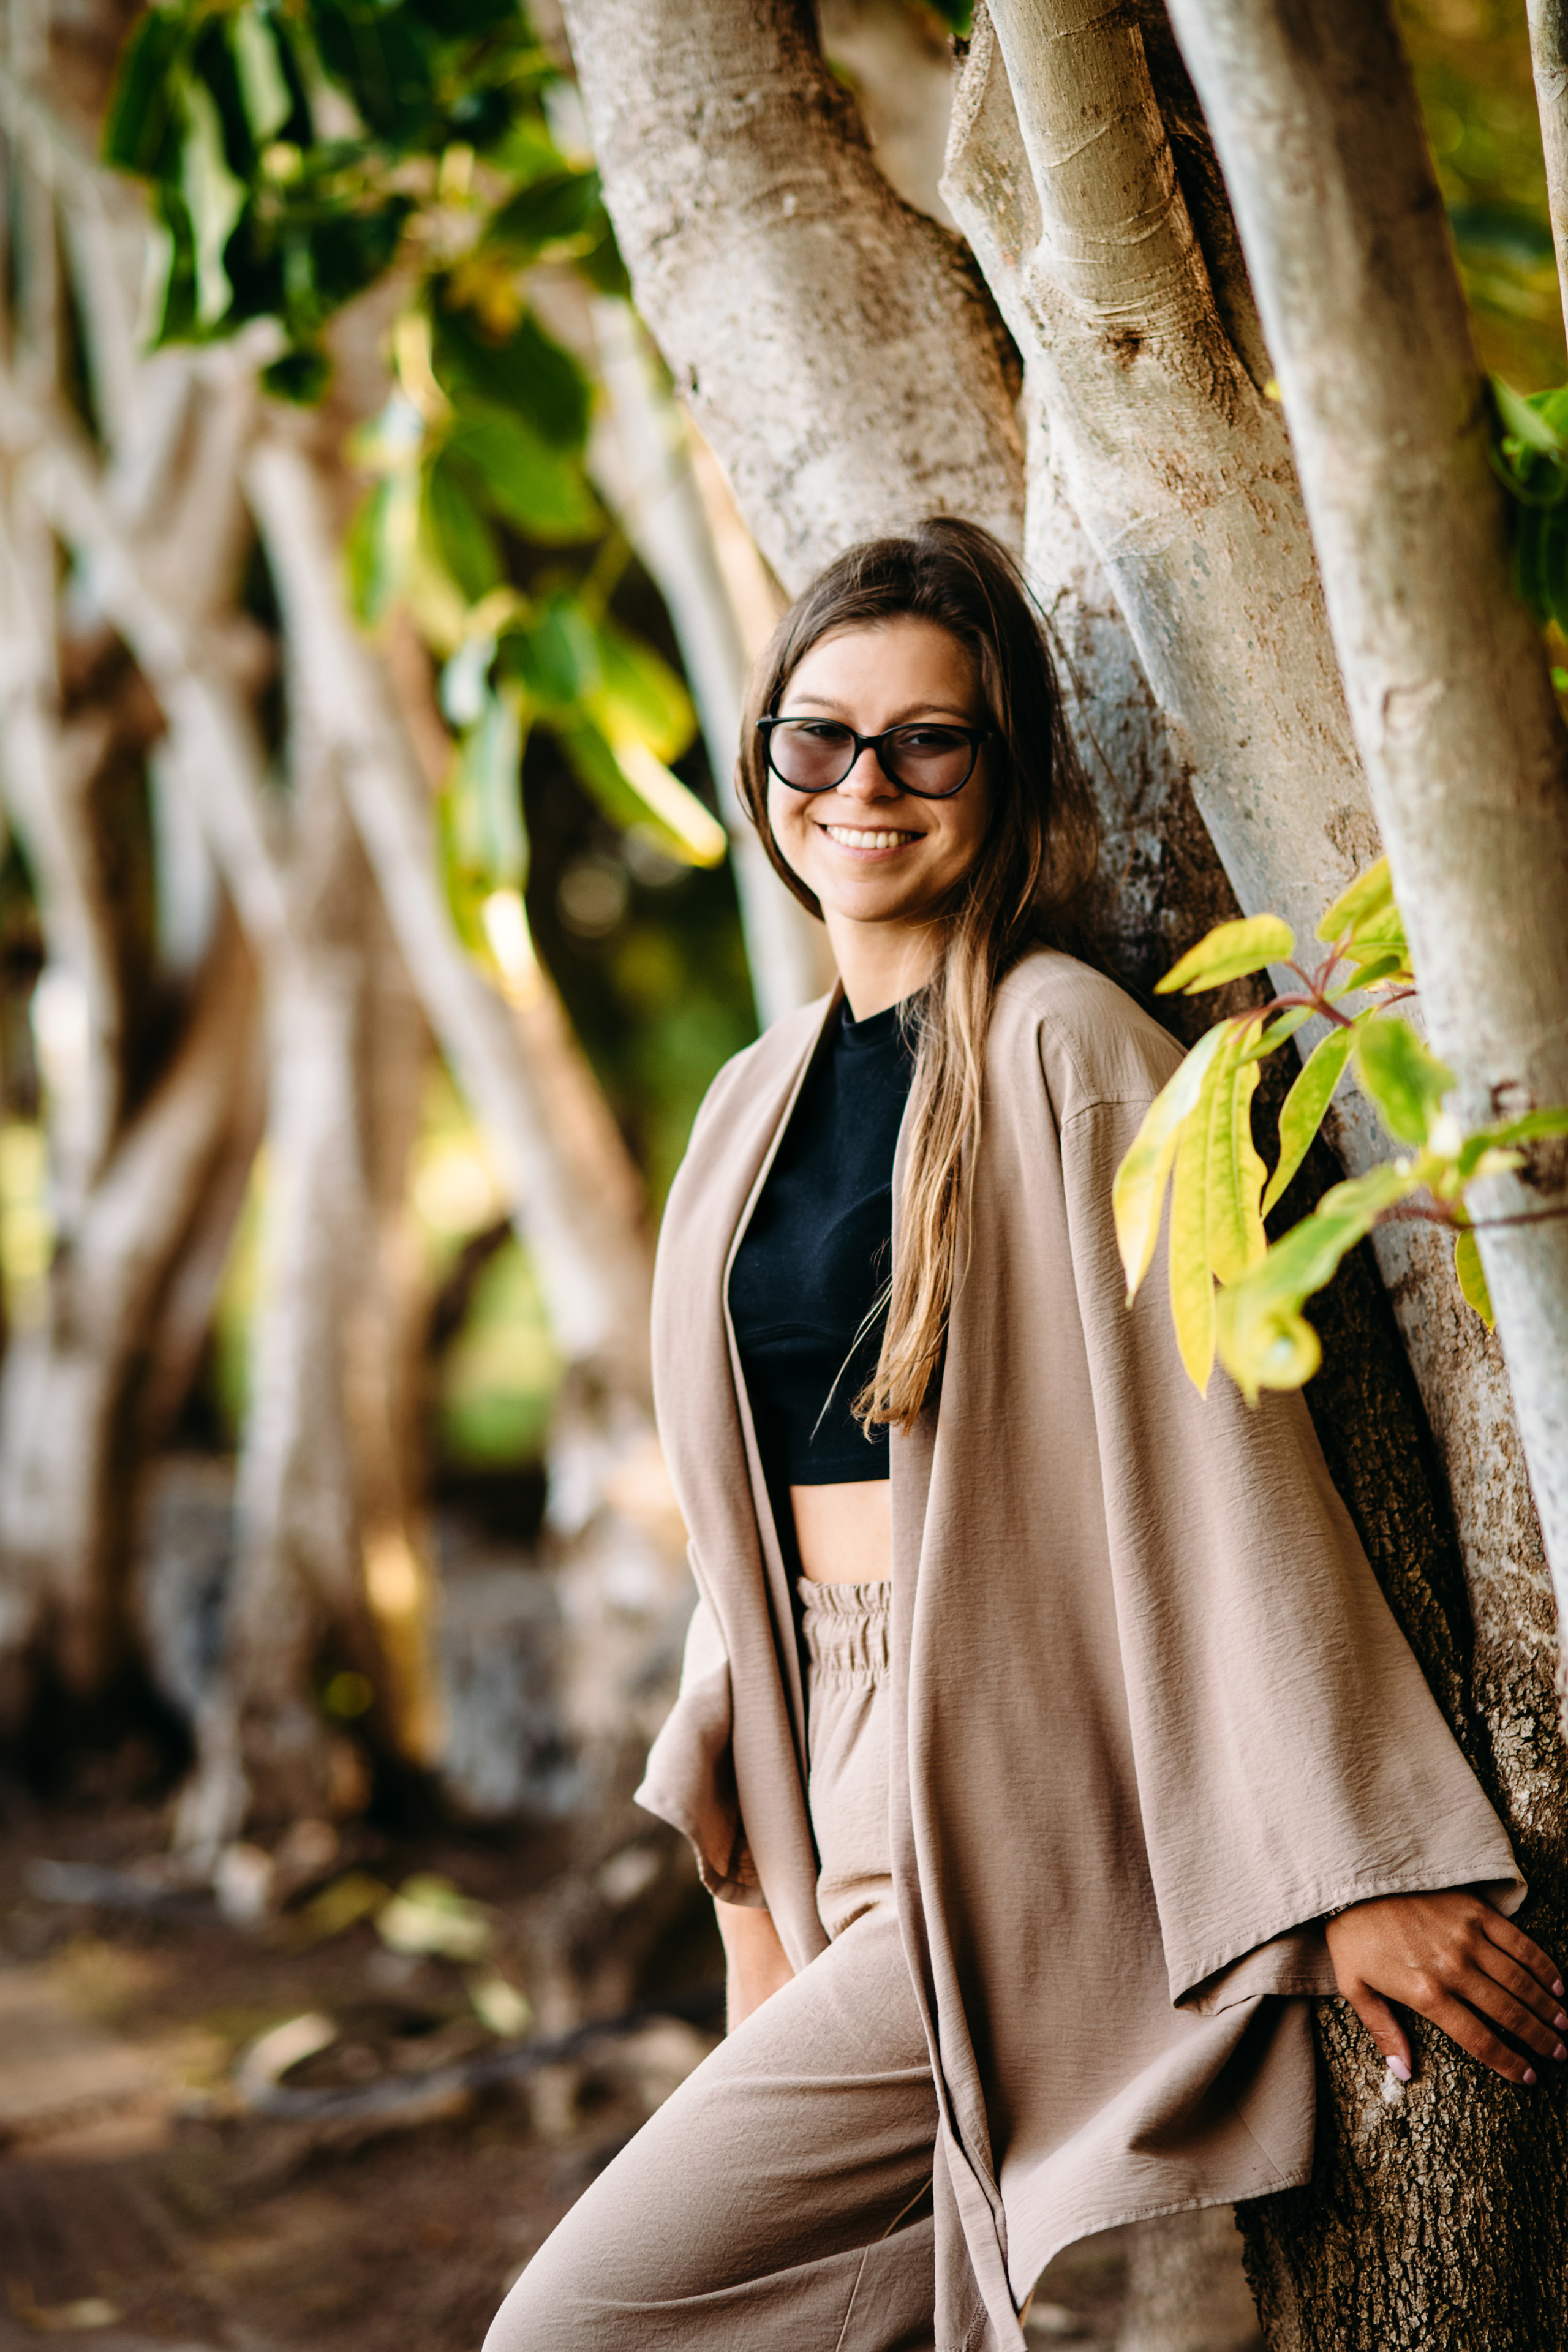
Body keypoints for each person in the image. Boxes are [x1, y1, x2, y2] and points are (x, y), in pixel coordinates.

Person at [486, 518, 1563, 2352]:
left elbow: (1214, 1462)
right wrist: (746, 1849)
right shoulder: (752, 1106)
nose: (867, 785)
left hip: (1019, 1765)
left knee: (574, 2324)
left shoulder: (1070, 1051)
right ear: (764, 763)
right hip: (821, 1768)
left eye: (931, 741)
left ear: (1006, 777)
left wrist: (1345, 1863)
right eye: (820, 736)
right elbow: (740, 1497)